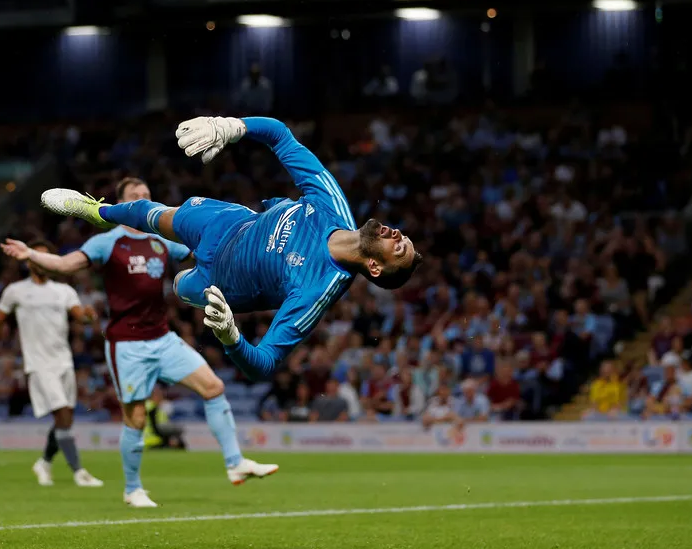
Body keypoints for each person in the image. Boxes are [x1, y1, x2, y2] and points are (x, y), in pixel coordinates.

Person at [40, 116, 422, 384]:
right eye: (402, 236)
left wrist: (231, 338)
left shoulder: (316, 290)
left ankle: (182, 273)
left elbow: (266, 363)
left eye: (398, 247)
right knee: (146, 212)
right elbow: (281, 136)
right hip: (227, 223)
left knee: (181, 285)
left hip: (216, 282)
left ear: (374, 266)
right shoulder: (332, 204)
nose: (397, 234)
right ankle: (98, 211)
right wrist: (231, 127)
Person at [2, 178, 277, 508]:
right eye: (135, 197)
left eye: (147, 195)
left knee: (214, 388)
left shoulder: (161, 240)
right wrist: (30, 253)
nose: (144, 200)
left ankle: (235, 463)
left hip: (163, 338)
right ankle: (132, 489)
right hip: (127, 344)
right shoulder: (108, 242)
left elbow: (201, 249)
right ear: (120, 204)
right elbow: (64, 265)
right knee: (135, 419)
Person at [0, 239, 103, 488]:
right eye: (37, 256)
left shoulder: (64, 291)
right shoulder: (15, 291)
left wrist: (88, 316)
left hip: (64, 362)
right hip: (38, 364)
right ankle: (78, 471)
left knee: (64, 419)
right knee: (63, 415)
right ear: (29, 261)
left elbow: (79, 315)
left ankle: (44, 462)